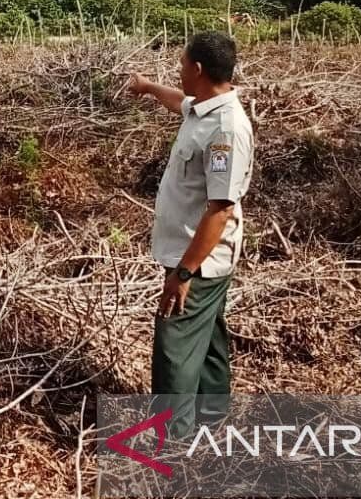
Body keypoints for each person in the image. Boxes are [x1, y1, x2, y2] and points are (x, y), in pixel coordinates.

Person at [127, 31, 254, 430]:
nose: (178, 72)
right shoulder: (203, 109)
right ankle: (213, 416)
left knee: (174, 349)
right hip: (196, 256)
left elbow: (219, 209)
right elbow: (176, 101)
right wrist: (147, 88)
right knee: (209, 337)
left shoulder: (226, 130)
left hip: (197, 260)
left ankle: (173, 441)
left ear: (197, 70)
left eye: (182, 65)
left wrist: (183, 274)